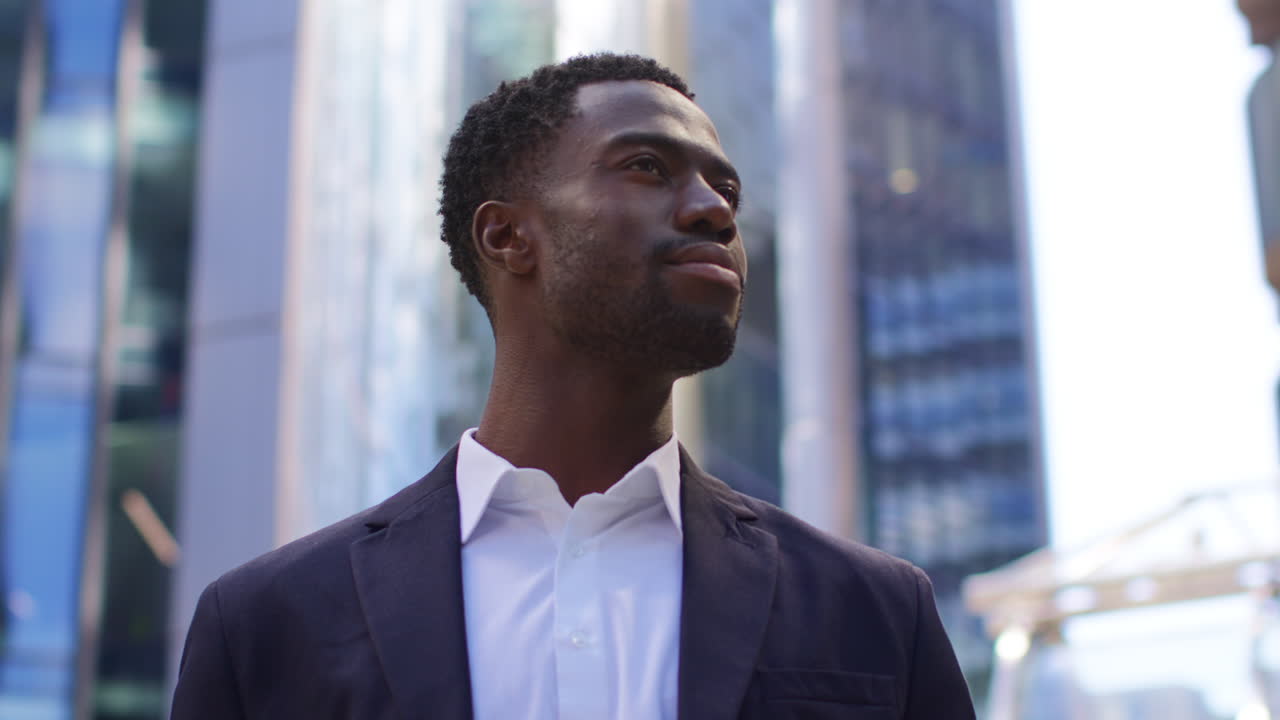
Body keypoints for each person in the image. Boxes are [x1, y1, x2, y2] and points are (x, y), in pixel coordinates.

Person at [170, 53, 976, 720]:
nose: (712, 212)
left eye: (726, 190)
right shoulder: (266, 626)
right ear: (508, 235)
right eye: (648, 167)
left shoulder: (876, 613)